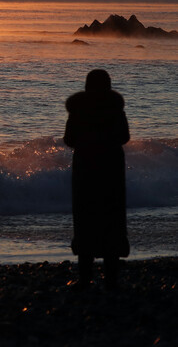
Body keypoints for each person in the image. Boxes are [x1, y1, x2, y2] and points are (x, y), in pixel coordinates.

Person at [64, 69, 130, 289]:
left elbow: (69, 139)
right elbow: (124, 136)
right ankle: (111, 278)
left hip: (85, 167)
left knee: (85, 217)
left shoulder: (78, 108)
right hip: (111, 167)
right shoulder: (114, 107)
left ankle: (85, 278)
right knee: (112, 217)